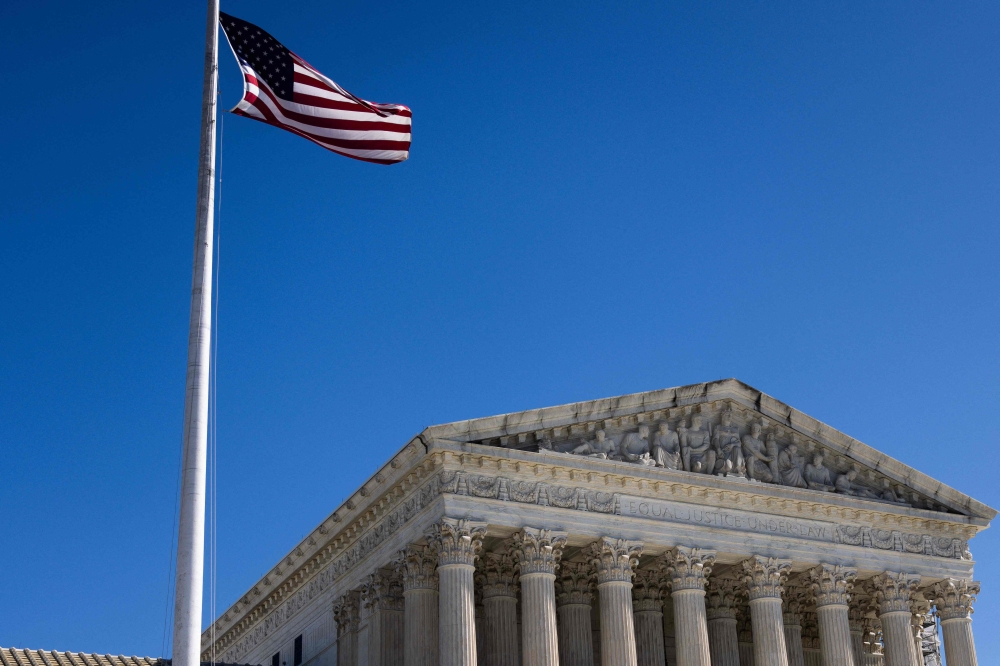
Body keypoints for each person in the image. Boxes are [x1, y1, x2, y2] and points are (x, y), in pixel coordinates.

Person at [712, 411, 744, 476]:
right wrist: (718, 449)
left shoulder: (735, 430)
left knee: (737, 448)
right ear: (722, 416)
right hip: (722, 453)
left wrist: (732, 445)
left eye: (730, 415)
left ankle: (738, 469)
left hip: (734, 454)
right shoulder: (718, 427)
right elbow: (715, 439)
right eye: (727, 415)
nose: (729, 417)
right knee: (728, 468)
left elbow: (739, 443)